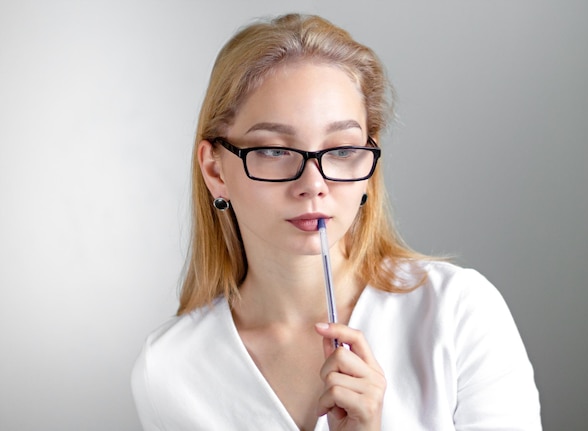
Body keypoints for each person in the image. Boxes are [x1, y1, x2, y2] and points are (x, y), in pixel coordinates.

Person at [131, 13, 541, 431]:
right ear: (216, 170)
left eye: (342, 149)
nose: (314, 184)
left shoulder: (457, 313)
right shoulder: (170, 368)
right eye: (274, 151)